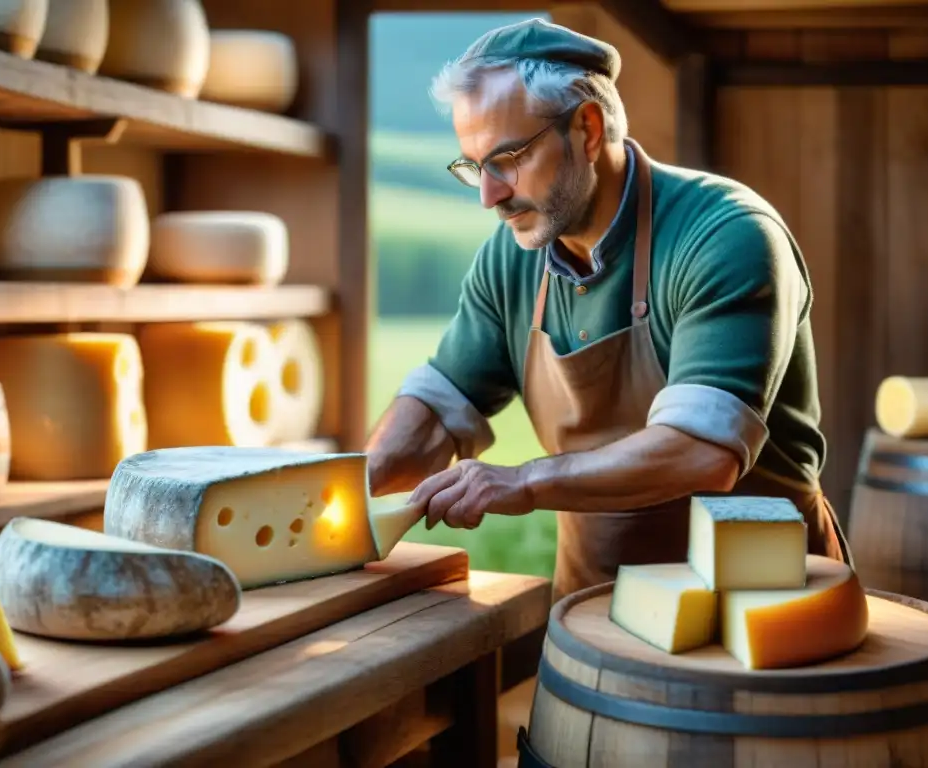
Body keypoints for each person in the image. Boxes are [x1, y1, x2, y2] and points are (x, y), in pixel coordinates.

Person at [363, 17, 852, 604]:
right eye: (473, 166)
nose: (488, 196)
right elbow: (437, 412)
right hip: (592, 616)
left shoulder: (727, 236)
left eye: (506, 158)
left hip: (763, 617)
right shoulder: (512, 258)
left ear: (588, 130)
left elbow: (700, 454)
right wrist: (332, 493)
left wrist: (522, 482)